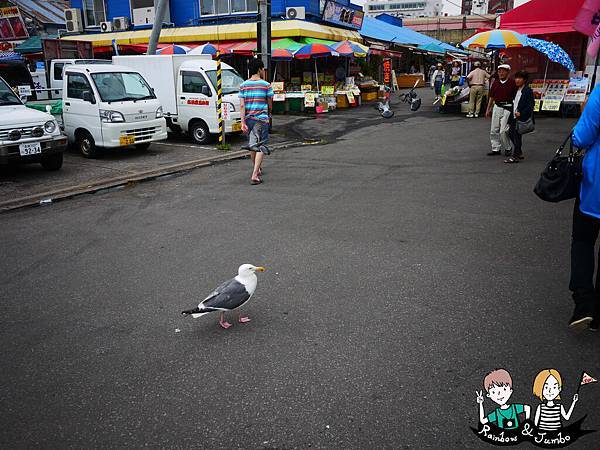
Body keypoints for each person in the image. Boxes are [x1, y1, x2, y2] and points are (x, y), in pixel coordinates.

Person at [568, 85, 600, 331]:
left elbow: (581, 137)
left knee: (582, 242)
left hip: (595, 188)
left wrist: (583, 112)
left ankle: (583, 302)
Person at [239, 58, 274, 186]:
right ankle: (254, 174)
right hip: (261, 119)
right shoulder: (266, 85)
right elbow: (270, 101)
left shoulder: (243, 85)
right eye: (263, 69)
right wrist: (270, 110)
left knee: (253, 145)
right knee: (261, 145)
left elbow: (242, 106)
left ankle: (257, 169)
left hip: (249, 119)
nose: (263, 71)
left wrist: (242, 122)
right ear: (259, 69)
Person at [485, 64, 517, 156]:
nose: (501, 73)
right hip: (497, 106)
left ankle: (508, 147)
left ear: (508, 72)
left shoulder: (512, 83)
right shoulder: (496, 83)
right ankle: (495, 148)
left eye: (503, 71)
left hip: (508, 107)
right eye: (499, 71)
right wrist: (488, 109)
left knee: (503, 130)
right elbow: (491, 97)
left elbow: (516, 97)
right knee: (494, 129)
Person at [505, 71, 534, 164]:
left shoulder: (527, 90)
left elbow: (530, 105)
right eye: (516, 78)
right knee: (510, 133)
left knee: (517, 136)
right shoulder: (517, 90)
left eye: (520, 78)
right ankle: (519, 152)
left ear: (524, 80)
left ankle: (515, 156)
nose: (517, 80)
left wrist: (521, 113)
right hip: (514, 116)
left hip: (521, 117)